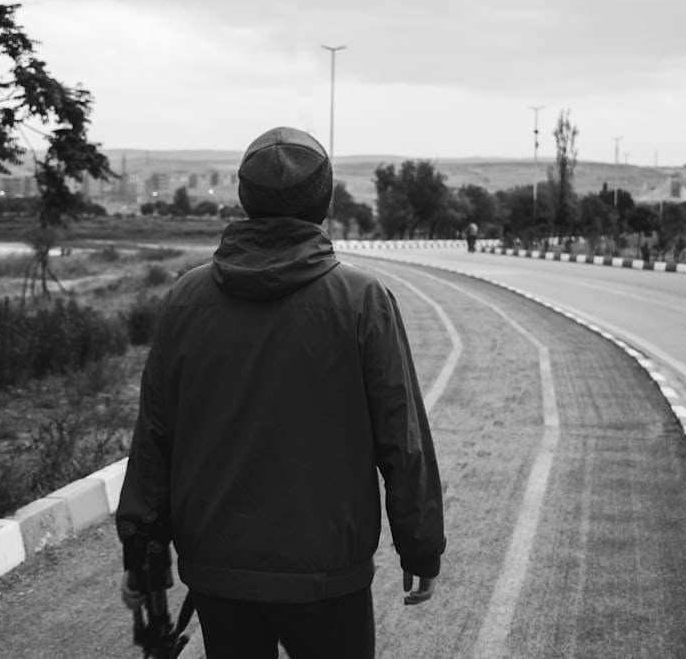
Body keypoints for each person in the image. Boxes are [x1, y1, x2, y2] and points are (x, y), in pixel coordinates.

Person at [116, 126, 445, 659]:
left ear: (246, 199)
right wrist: (420, 549)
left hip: (218, 573)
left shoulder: (185, 298)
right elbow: (401, 440)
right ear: (325, 201)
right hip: (326, 574)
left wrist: (142, 557)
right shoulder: (362, 300)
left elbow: (155, 438)